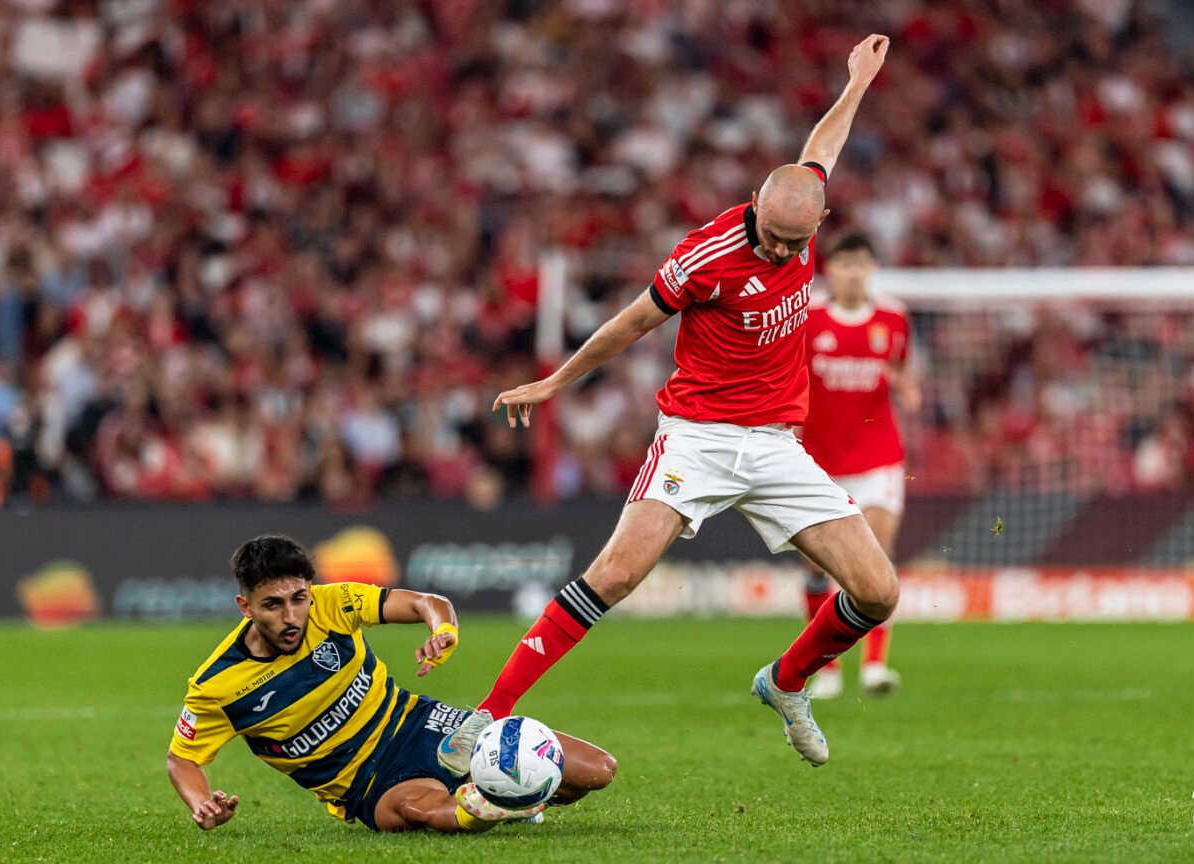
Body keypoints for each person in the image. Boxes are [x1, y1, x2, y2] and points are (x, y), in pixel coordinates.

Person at [438, 34, 895, 773]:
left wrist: (857, 82)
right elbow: (631, 322)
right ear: (756, 208)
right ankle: (484, 717)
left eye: (795, 243)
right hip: (698, 437)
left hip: (778, 444)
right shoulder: (709, 255)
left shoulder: (805, 207)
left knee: (878, 592)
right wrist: (556, 382)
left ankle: (784, 683)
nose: (782, 254)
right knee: (613, 576)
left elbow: (822, 145)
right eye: (774, 239)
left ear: (820, 218)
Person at [166, 534, 616, 833]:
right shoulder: (217, 684)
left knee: (596, 773)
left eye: (298, 598)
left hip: (422, 725)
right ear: (245, 606)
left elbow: (426, 602)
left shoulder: (331, 604)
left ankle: (500, 797)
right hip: (368, 782)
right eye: (272, 605)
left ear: (310, 590)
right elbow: (182, 758)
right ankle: (488, 803)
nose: (291, 616)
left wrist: (443, 630)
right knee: (420, 811)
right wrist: (202, 803)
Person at [798, 232, 919, 700]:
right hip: (820, 460)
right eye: (845, 263)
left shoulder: (893, 317)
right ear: (831, 270)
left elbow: (900, 367)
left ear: (871, 269)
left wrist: (907, 387)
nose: (853, 272)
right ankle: (825, 668)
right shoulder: (809, 319)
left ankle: (874, 666)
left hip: (878, 456)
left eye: (861, 264)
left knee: (877, 552)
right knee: (817, 566)